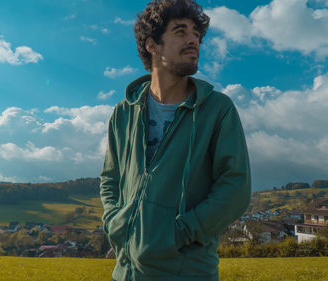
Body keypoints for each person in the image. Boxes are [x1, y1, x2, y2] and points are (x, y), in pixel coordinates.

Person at [99, 0, 251, 280]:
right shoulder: (123, 112)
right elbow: (110, 178)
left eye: (197, 34)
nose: (193, 39)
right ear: (152, 45)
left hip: (188, 271)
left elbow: (235, 188)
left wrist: (180, 232)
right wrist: (114, 222)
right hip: (126, 272)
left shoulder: (217, 110)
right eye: (181, 31)